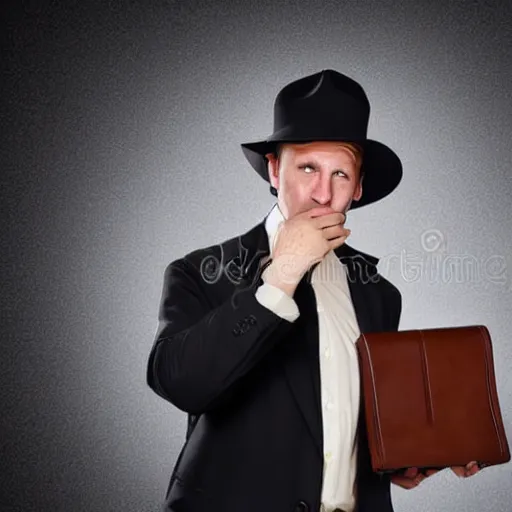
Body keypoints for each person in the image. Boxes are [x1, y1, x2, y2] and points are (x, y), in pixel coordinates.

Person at [146, 69, 479, 512]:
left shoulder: (379, 293)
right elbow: (180, 383)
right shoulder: (201, 271)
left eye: (340, 173)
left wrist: (399, 458)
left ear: (357, 188)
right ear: (273, 169)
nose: (323, 193)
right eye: (307, 168)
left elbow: (341, 419)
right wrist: (282, 273)